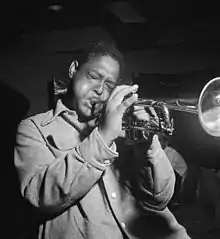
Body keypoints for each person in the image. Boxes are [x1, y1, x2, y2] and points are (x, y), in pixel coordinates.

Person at [14, 41, 190, 239]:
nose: (100, 90)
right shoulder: (34, 128)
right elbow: (40, 196)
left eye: (109, 85)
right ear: (73, 70)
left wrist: (147, 150)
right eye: (94, 77)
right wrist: (104, 135)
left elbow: (159, 199)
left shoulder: (127, 124)